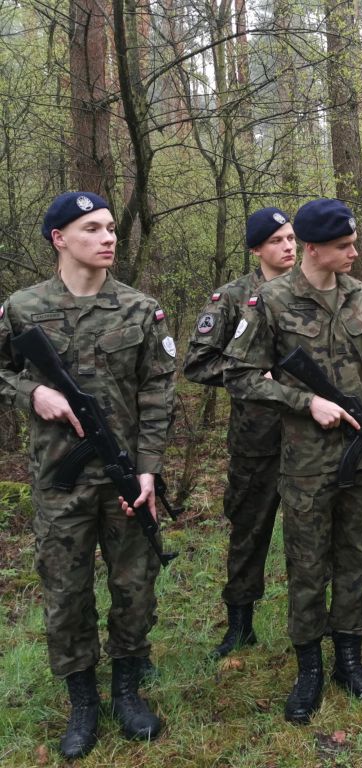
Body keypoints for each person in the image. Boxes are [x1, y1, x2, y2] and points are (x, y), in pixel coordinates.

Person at [223, 198, 362, 723]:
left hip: (361, 457)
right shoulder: (271, 301)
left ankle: (349, 659)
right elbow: (239, 375)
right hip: (305, 460)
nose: (354, 252)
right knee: (307, 564)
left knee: (356, 558)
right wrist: (305, 402)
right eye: (343, 246)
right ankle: (309, 667)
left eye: (353, 243)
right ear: (313, 249)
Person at [0, 192, 176, 758]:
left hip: (127, 480)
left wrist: (148, 470)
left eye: (111, 228)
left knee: (134, 587)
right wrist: (33, 392)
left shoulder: (139, 308)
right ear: (59, 238)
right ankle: (82, 701)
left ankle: (126, 688)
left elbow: (158, 393)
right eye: (92, 229)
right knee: (66, 591)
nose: (108, 238)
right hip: (60, 479)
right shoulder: (23, 308)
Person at [184, 207, 295, 658]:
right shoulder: (232, 299)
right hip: (256, 438)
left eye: (291, 238)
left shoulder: (312, 290)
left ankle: (313, 625)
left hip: (311, 435)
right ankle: (239, 625)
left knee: (313, 534)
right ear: (256, 249)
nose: (287, 247)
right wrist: (250, 374)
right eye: (276, 240)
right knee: (249, 530)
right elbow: (197, 362)